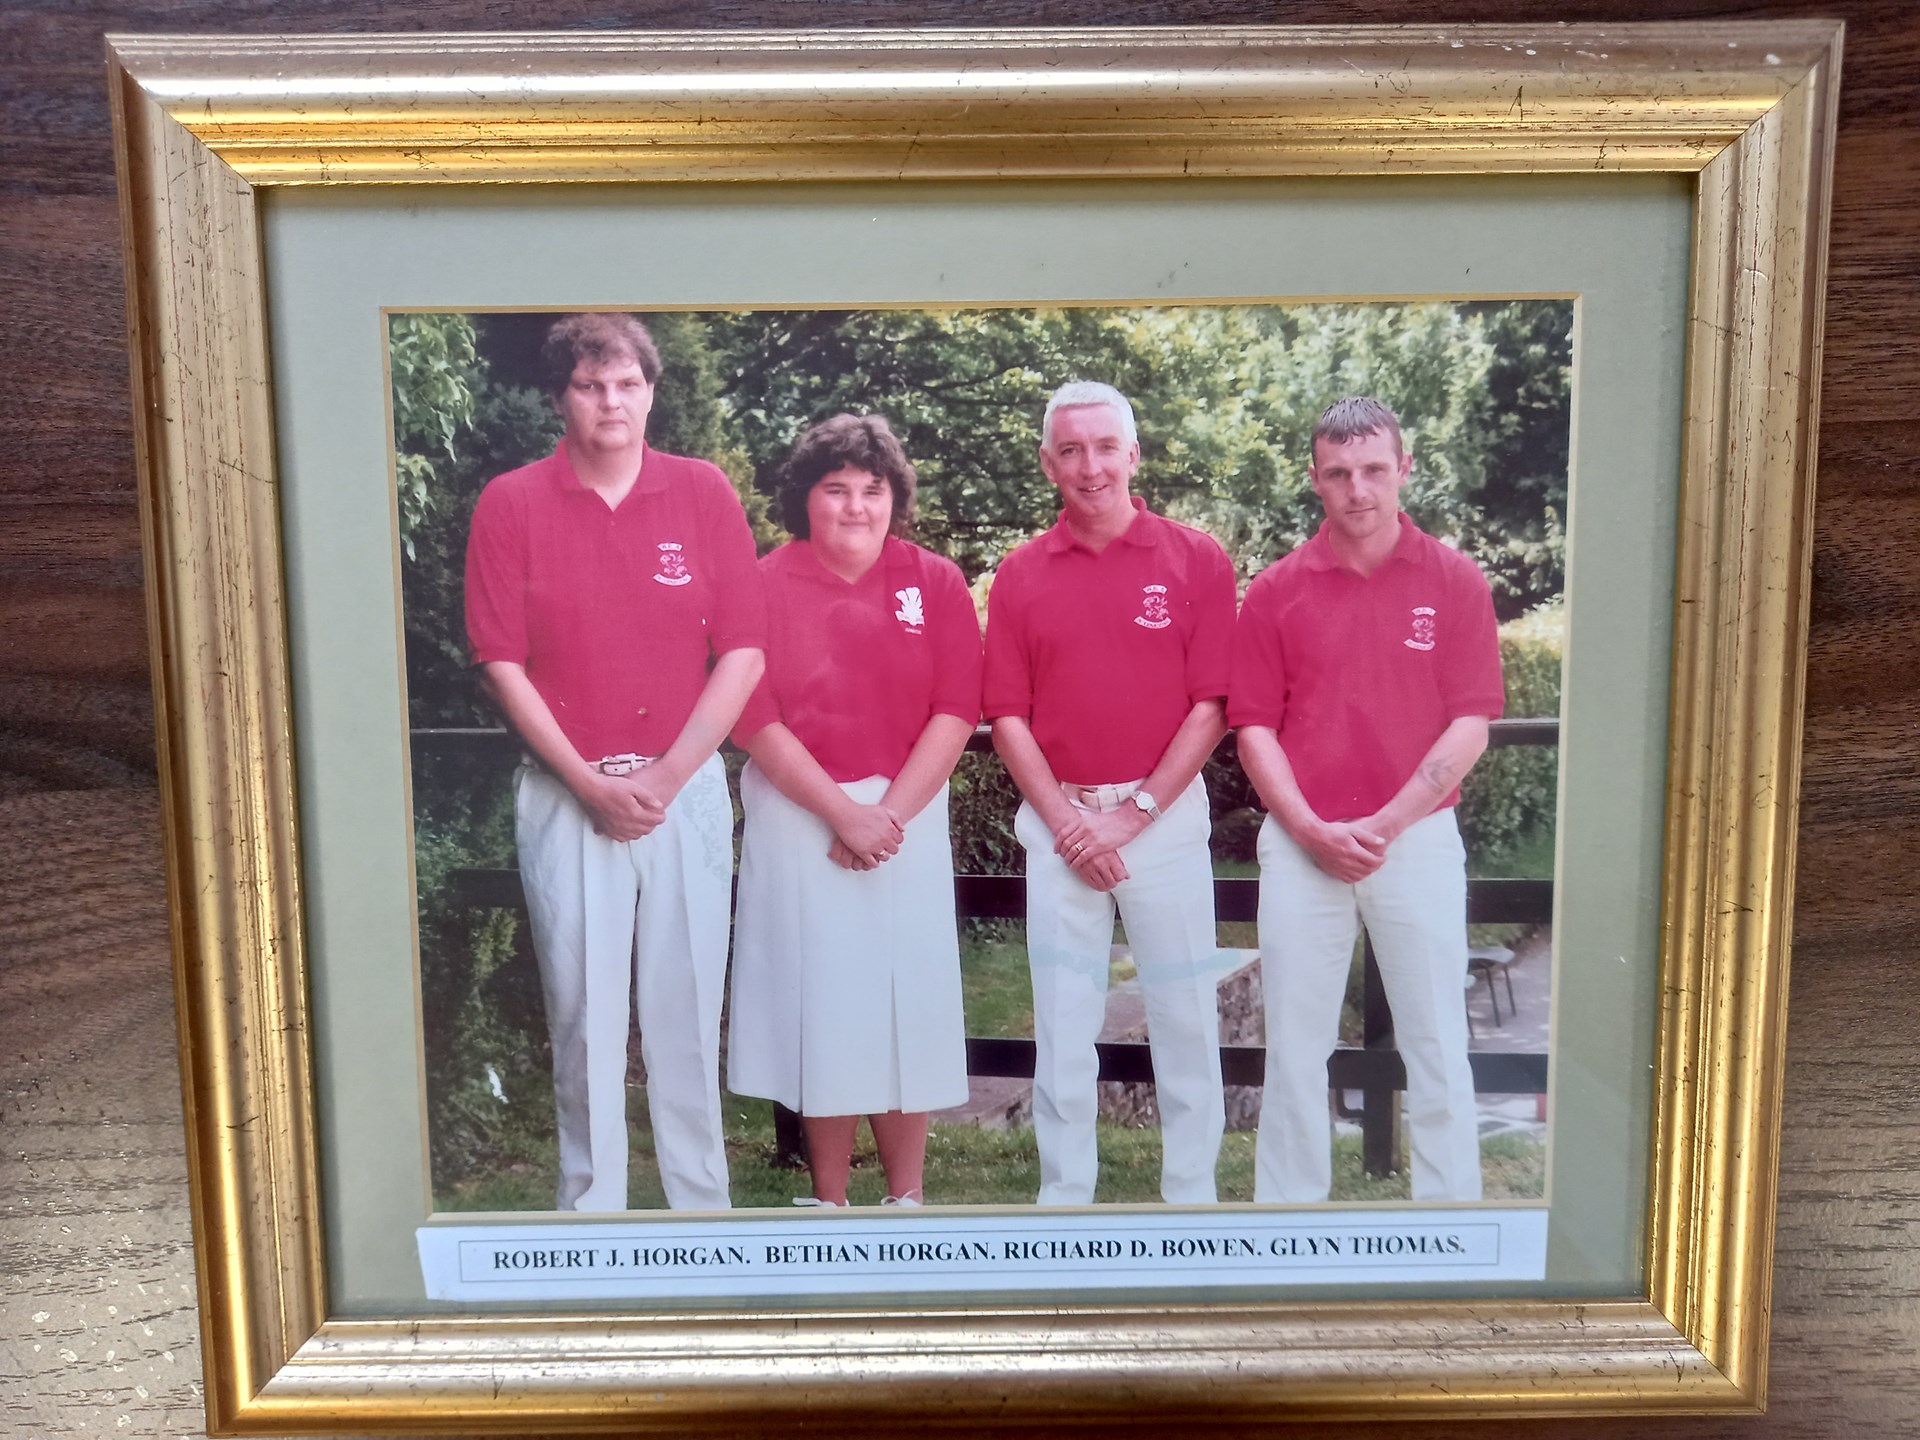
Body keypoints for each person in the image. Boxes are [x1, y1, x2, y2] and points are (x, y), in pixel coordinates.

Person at [463, 312, 765, 1212]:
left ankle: (699, 1212)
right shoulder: (511, 503)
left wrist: (668, 777)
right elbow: (499, 661)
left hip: (688, 793)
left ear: (650, 392)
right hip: (568, 794)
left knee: (683, 1006)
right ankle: (592, 1214)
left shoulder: (703, 492)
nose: (611, 401)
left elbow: (744, 650)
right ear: (561, 397)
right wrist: (591, 784)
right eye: (591, 385)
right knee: (585, 1015)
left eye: (628, 383)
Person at [1230, 395, 1505, 1204]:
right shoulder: (1276, 591)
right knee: (1296, 1049)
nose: (1359, 489)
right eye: (1340, 473)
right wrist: (1312, 830)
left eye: (1374, 470)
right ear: (1315, 478)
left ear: (1404, 469)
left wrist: (1383, 824)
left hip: (1413, 841)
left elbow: (1470, 724)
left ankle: (1452, 1221)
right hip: (1301, 844)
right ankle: (1287, 1227)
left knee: (1436, 1040)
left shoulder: (1455, 581)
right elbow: (1253, 729)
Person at [983, 381, 1236, 1206]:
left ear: (1133, 454)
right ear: (1047, 460)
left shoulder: (1195, 558)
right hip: (1059, 825)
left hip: (1159, 823)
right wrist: (1068, 822)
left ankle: (1191, 1201)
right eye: (1070, 450)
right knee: (1062, 1023)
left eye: (1104, 448)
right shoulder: (1020, 576)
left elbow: (1212, 706)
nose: (1089, 467)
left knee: (1187, 1015)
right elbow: (1007, 716)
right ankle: (1065, 1201)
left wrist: (1133, 816)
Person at [728, 413, 981, 1208]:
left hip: (906, 813)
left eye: (873, 491)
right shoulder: (761, 584)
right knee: (821, 1000)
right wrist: (841, 812)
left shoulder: (933, 581)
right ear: (804, 497)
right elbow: (753, 714)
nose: (855, 507)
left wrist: (887, 816)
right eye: (835, 490)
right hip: (801, 813)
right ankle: (827, 1198)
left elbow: (957, 707)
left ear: (894, 498)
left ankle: (905, 1197)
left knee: (904, 999)